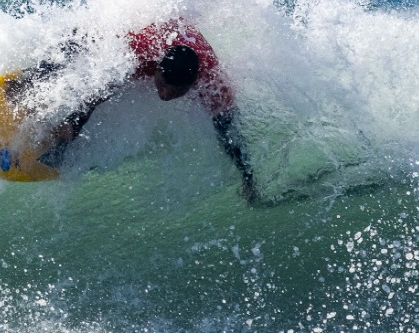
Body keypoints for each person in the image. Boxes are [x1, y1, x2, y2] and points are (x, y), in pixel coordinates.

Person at [22, 21, 260, 203]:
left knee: (224, 123)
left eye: (173, 91)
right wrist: (69, 127)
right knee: (80, 41)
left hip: (185, 43)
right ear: (156, 70)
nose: (164, 95)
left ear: (191, 86)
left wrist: (248, 180)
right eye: (162, 85)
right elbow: (96, 96)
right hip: (159, 34)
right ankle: (26, 81)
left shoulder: (213, 86)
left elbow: (230, 136)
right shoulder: (139, 54)